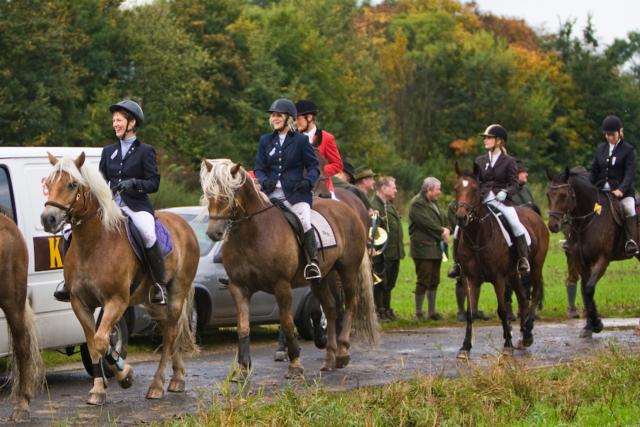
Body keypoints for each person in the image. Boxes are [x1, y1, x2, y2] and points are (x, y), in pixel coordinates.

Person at [54, 99, 167, 305]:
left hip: (135, 205)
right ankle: (67, 280)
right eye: (114, 120)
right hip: (110, 205)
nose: (115, 124)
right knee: (68, 230)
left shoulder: (145, 151)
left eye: (119, 120)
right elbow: (100, 181)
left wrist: (134, 183)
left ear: (132, 123)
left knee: (147, 232)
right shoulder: (108, 151)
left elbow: (154, 183)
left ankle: (159, 285)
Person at [254, 98, 321, 280]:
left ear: (288, 118)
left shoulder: (301, 141)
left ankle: (312, 262)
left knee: (304, 222)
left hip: (296, 194)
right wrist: (264, 180)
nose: (275, 118)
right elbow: (259, 168)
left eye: (279, 115)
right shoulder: (266, 140)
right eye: (273, 115)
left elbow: (314, 167)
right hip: (270, 194)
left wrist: (308, 181)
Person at [476, 124, 530, 272]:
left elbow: (514, 184)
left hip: (502, 201)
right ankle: (458, 264)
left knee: (515, 223)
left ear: (499, 141)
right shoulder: (480, 160)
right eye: (485, 138)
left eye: (489, 138)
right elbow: (477, 182)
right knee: (458, 227)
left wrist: (506, 192)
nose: (485, 140)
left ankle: (523, 259)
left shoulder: (509, 161)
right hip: (483, 199)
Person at [589, 115, 638, 256]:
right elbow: (594, 171)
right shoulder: (600, 149)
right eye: (607, 134)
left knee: (628, 208)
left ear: (619, 132)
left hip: (621, 193)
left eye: (612, 134)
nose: (610, 137)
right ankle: (575, 240)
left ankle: (630, 241)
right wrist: (588, 185)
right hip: (601, 193)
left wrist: (621, 190)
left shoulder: (628, 150)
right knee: (587, 208)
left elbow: (629, 173)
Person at [409, 177, 449, 320]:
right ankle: (418, 313)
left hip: (436, 248)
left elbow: (443, 219)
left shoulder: (434, 202)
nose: (440, 192)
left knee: (434, 280)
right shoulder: (417, 204)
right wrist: (442, 231)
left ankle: (431, 312)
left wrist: (447, 228)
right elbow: (426, 223)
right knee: (423, 280)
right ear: (428, 190)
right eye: (438, 189)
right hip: (423, 248)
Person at [446, 200, 489, 321]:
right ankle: (457, 263)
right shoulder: (455, 202)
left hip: (483, 206)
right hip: (465, 213)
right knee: (457, 231)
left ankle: (473, 309)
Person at [369, 176, 404, 320]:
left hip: (393, 251)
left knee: (390, 282)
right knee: (380, 282)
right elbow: (374, 230)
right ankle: (380, 310)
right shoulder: (374, 205)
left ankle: (387, 309)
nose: (396, 190)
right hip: (382, 252)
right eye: (393, 187)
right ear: (384, 189)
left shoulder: (387, 204)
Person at [295, 100, 343, 198]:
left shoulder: (327, 138)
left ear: (309, 118)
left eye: (298, 119)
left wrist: (318, 171)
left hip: (322, 187)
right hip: (298, 186)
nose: (295, 123)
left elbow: (337, 165)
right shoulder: (293, 138)